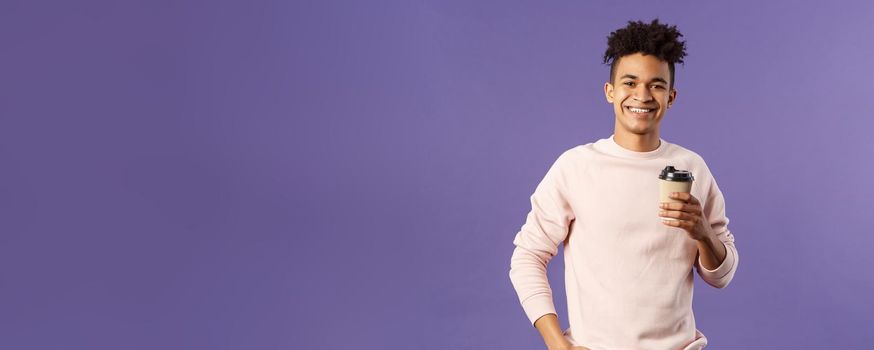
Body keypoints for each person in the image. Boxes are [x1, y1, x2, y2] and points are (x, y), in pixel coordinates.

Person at [508, 19, 738, 350]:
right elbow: (527, 256)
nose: (642, 95)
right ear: (610, 92)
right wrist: (558, 344)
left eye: (656, 85)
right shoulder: (576, 167)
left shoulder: (691, 168)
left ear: (671, 97)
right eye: (630, 82)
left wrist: (703, 231)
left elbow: (722, 276)